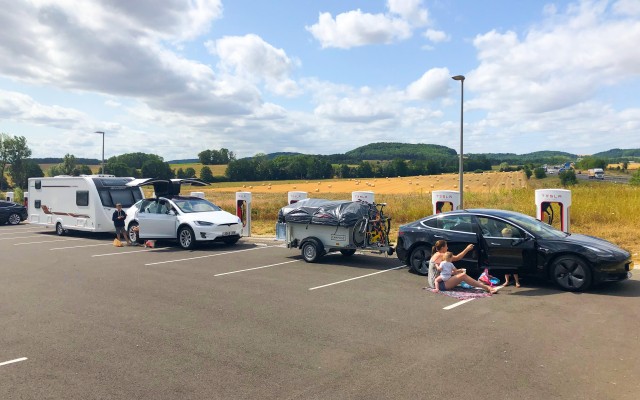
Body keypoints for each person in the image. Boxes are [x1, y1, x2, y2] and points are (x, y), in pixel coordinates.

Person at [428, 240, 497, 293]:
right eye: (446, 246)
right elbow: (457, 257)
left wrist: (457, 271)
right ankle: (486, 288)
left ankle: (480, 284)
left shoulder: (436, 254)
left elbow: (445, 272)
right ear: (443, 248)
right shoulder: (441, 255)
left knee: (460, 275)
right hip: (438, 284)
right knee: (463, 276)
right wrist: (467, 249)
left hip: (435, 282)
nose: (447, 247)